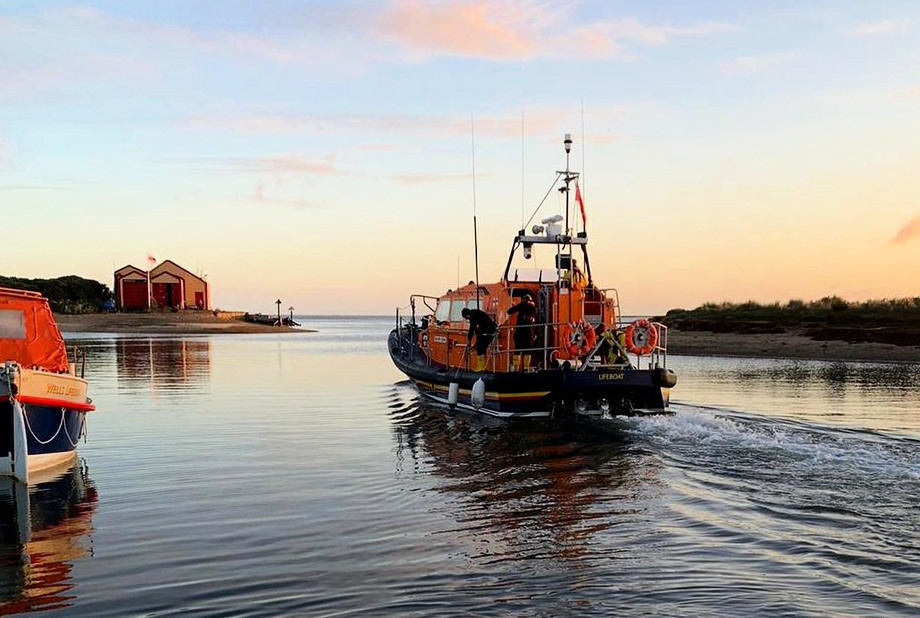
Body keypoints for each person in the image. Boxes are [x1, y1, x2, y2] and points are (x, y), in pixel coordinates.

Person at [506, 293, 536, 371]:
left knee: (517, 349)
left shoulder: (522, 305)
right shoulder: (534, 308)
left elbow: (509, 311)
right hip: (529, 332)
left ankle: (516, 368)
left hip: (520, 331)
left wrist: (512, 307)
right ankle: (526, 368)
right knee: (527, 350)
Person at [461, 307, 497, 372]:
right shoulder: (476, 313)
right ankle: (482, 366)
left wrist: (469, 340)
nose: (467, 319)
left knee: (481, 347)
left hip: (488, 332)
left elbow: (472, 329)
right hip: (487, 331)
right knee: (481, 347)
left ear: (467, 315)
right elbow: (477, 330)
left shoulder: (474, 316)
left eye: (466, 318)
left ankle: (481, 367)